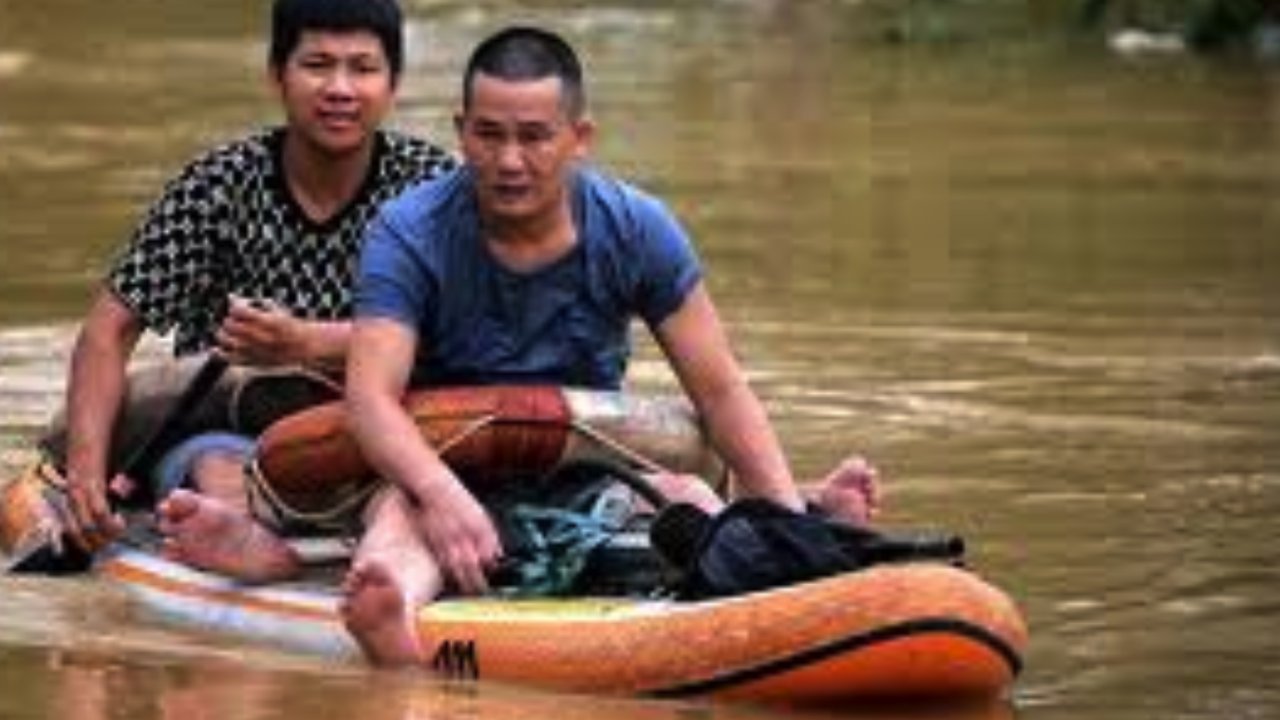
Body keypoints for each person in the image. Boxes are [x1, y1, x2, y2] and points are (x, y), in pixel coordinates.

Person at [338, 25, 879, 665]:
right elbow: (370, 400)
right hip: (445, 473)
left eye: (535, 137)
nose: (510, 161)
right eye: (489, 135)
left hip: (592, 472)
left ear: (579, 139)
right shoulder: (408, 232)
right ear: (461, 131)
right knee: (398, 526)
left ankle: (797, 519)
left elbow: (720, 389)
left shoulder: (637, 228)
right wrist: (444, 497)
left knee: (690, 500)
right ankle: (390, 619)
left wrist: (789, 529)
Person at [54, 0, 455, 579]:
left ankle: (383, 557)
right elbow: (108, 330)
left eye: (362, 68)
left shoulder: (431, 189)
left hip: (379, 433)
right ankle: (240, 536)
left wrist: (309, 343)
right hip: (228, 434)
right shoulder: (216, 186)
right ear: (276, 75)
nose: (340, 88)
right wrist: (86, 477)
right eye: (317, 64)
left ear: (393, 84)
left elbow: (466, 327)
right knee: (217, 469)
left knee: (408, 477)